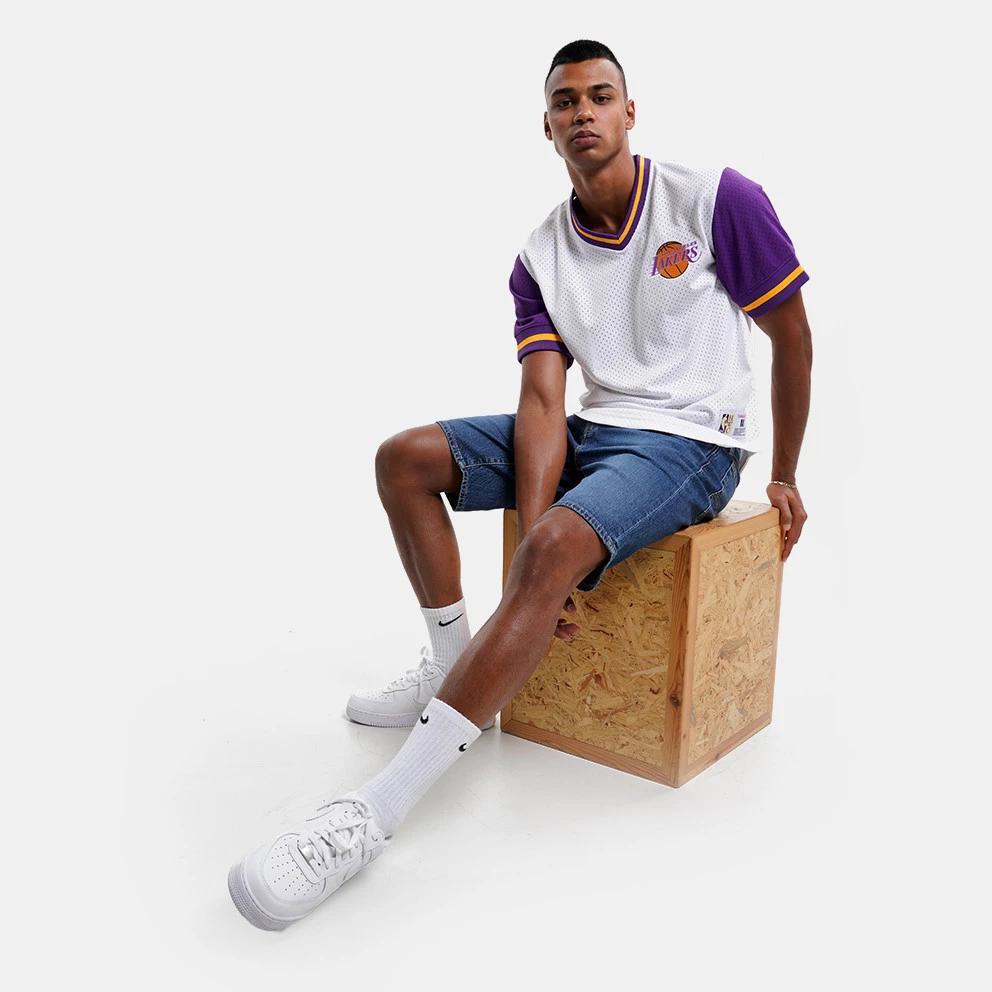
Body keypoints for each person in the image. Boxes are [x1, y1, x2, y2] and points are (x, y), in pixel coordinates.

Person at [228, 39, 812, 930]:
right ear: (546, 127)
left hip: (693, 443)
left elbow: (793, 333)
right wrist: (534, 531)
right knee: (404, 459)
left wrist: (786, 474)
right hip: (597, 432)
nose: (584, 112)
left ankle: (370, 815)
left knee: (551, 547)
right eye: (566, 102)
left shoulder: (713, 199)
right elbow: (542, 400)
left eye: (601, 96)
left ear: (629, 112)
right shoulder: (541, 255)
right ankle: (448, 665)